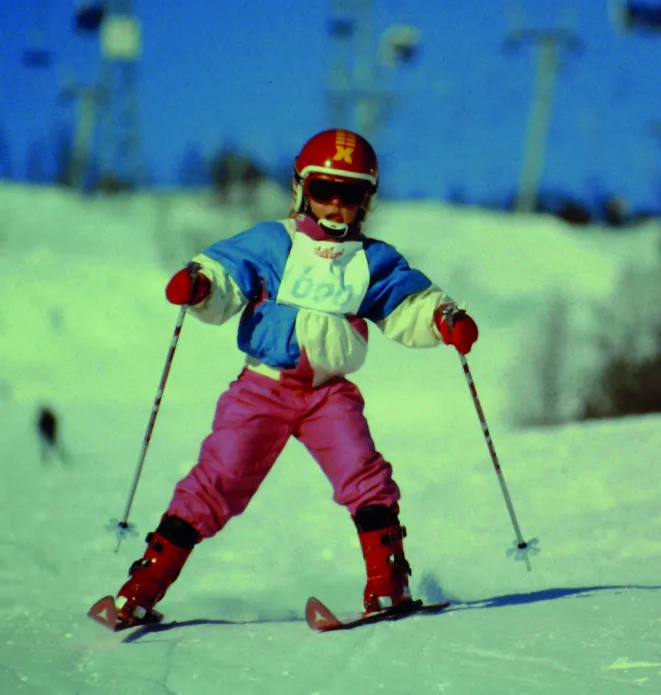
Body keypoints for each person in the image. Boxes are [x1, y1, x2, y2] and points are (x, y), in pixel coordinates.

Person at [111, 128, 479, 629]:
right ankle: (144, 587)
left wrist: (445, 319)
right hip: (263, 387)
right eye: (324, 190)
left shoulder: (371, 260)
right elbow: (225, 272)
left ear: (365, 200)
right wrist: (199, 285)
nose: (334, 205)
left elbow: (409, 303)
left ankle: (388, 581)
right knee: (217, 481)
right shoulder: (272, 242)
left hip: (328, 393)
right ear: (301, 189)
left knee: (364, 473)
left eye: (349, 195)